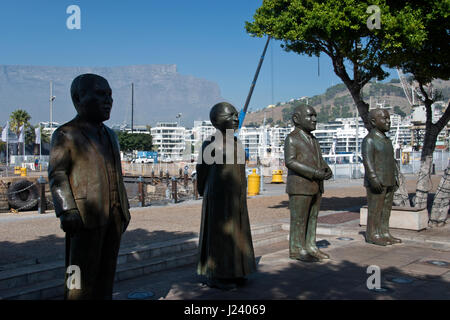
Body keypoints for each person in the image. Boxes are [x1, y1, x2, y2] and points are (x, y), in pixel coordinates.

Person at [48, 74, 131, 299]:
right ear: (78, 98)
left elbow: (117, 176)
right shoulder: (66, 134)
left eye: (110, 95)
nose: (108, 100)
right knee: (78, 275)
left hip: (114, 216)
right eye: (101, 94)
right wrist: (67, 210)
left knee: (106, 273)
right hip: (84, 218)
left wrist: (125, 209)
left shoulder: (111, 135)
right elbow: (57, 174)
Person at [196, 102, 256, 290]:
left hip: (236, 198)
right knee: (219, 237)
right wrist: (203, 191)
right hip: (217, 197)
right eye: (230, 115)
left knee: (237, 234)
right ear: (216, 120)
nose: (235, 118)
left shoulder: (237, 143)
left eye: (236, 115)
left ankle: (236, 271)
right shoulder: (210, 143)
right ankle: (217, 274)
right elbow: (202, 170)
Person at [284, 105, 332, 262]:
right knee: (299, 219)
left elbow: (319, 159)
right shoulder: (292, 138)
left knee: (312, 217)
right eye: (310, 116)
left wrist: (326, 168)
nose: (314, 119)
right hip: (300, 186)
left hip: (316, 186)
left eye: (315, 116)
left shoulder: (314, 139)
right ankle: (297, 248)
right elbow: (290, 162)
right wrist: (314, 173)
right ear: (296, 119)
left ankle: (311, 245)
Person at [362, 108, 401, 246]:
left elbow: (392, 162)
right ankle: (373, 234)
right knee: (375, 209)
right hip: (376, 182)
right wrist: (373, 178)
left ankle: (384, 232)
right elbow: (368, 162)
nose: (388, 121)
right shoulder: (369, 140)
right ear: (373, 121)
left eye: (388, 118)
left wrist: (395, 177)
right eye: (384, 118)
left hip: (389, 180)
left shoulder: (387, 141)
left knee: (386, 209)